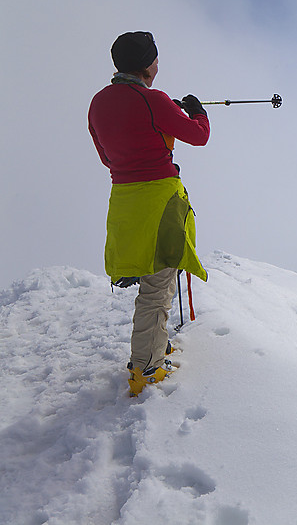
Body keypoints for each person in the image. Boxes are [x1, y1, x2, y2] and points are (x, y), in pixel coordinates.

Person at [88, 31, 210, 396]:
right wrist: (197, 112)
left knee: (153, 280)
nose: (158, 65)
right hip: (160, 200)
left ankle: (154, 347)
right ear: (147, 64)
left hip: (124, 200)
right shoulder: (153, 100)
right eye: (156, 59)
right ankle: (146, 368)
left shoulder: (98, 102)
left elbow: (107, 156)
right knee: (158, 287)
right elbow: (198, 135)